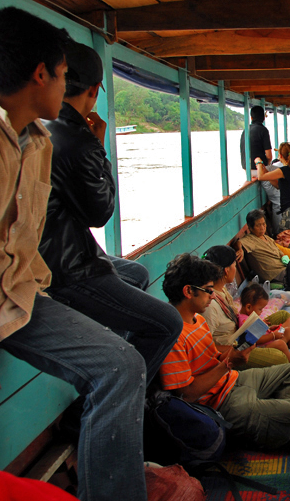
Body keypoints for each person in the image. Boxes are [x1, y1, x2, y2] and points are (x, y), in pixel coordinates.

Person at [0, 7, 149, 501]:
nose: (67, 86)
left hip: (23, 289)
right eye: (62, 75)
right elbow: (100, 211)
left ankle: (112, 428)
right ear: (41, 74)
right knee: (122, 366)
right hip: (6, 301)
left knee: (123, 357)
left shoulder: (36, 139)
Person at [38, 39, 183, 385]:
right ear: (93, 90)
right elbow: (100, 212)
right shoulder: (79, 140)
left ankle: (120, 356)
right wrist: (99, 149)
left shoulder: (45, 130)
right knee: (168, 323)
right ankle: (126, 384)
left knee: (135, 273)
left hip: (54, 251)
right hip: (68, 268)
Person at [159, 253, 290, 453]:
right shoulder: (173, 335)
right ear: (188, 291)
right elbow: (187, 395)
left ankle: (272, 426)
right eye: (208, 291)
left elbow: (214, 358)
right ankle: (267, 427)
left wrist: (236, 352)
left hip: (234, 380)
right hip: (219, 402)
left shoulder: (197, 321)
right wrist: (228, 364)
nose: (211, 296)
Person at [200, 246, 290, 371]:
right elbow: (206, 348)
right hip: (233, 349)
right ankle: (287, 356)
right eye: (234, 265)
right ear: (227, 270)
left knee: (284, 316)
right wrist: (240, 348)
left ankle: (288, 354)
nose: (235, 269)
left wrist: (261, 328)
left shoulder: (222, 290)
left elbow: (238, 321)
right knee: (278, 358)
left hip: (240, 333)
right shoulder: (210, 305)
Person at [255, 142, 290, 232]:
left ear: (280, 155)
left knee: (285, 239)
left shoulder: (284, 170)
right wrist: (264, 169)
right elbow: (279, 185)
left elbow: (261, 177)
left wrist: (259, 163)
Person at [240, 105, 272, 174]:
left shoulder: (245, 130)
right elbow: (269, 156)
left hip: (246, 168)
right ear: (264, 118)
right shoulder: (263, 130)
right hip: (259, 168)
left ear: (251, 118)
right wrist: (267, 166)